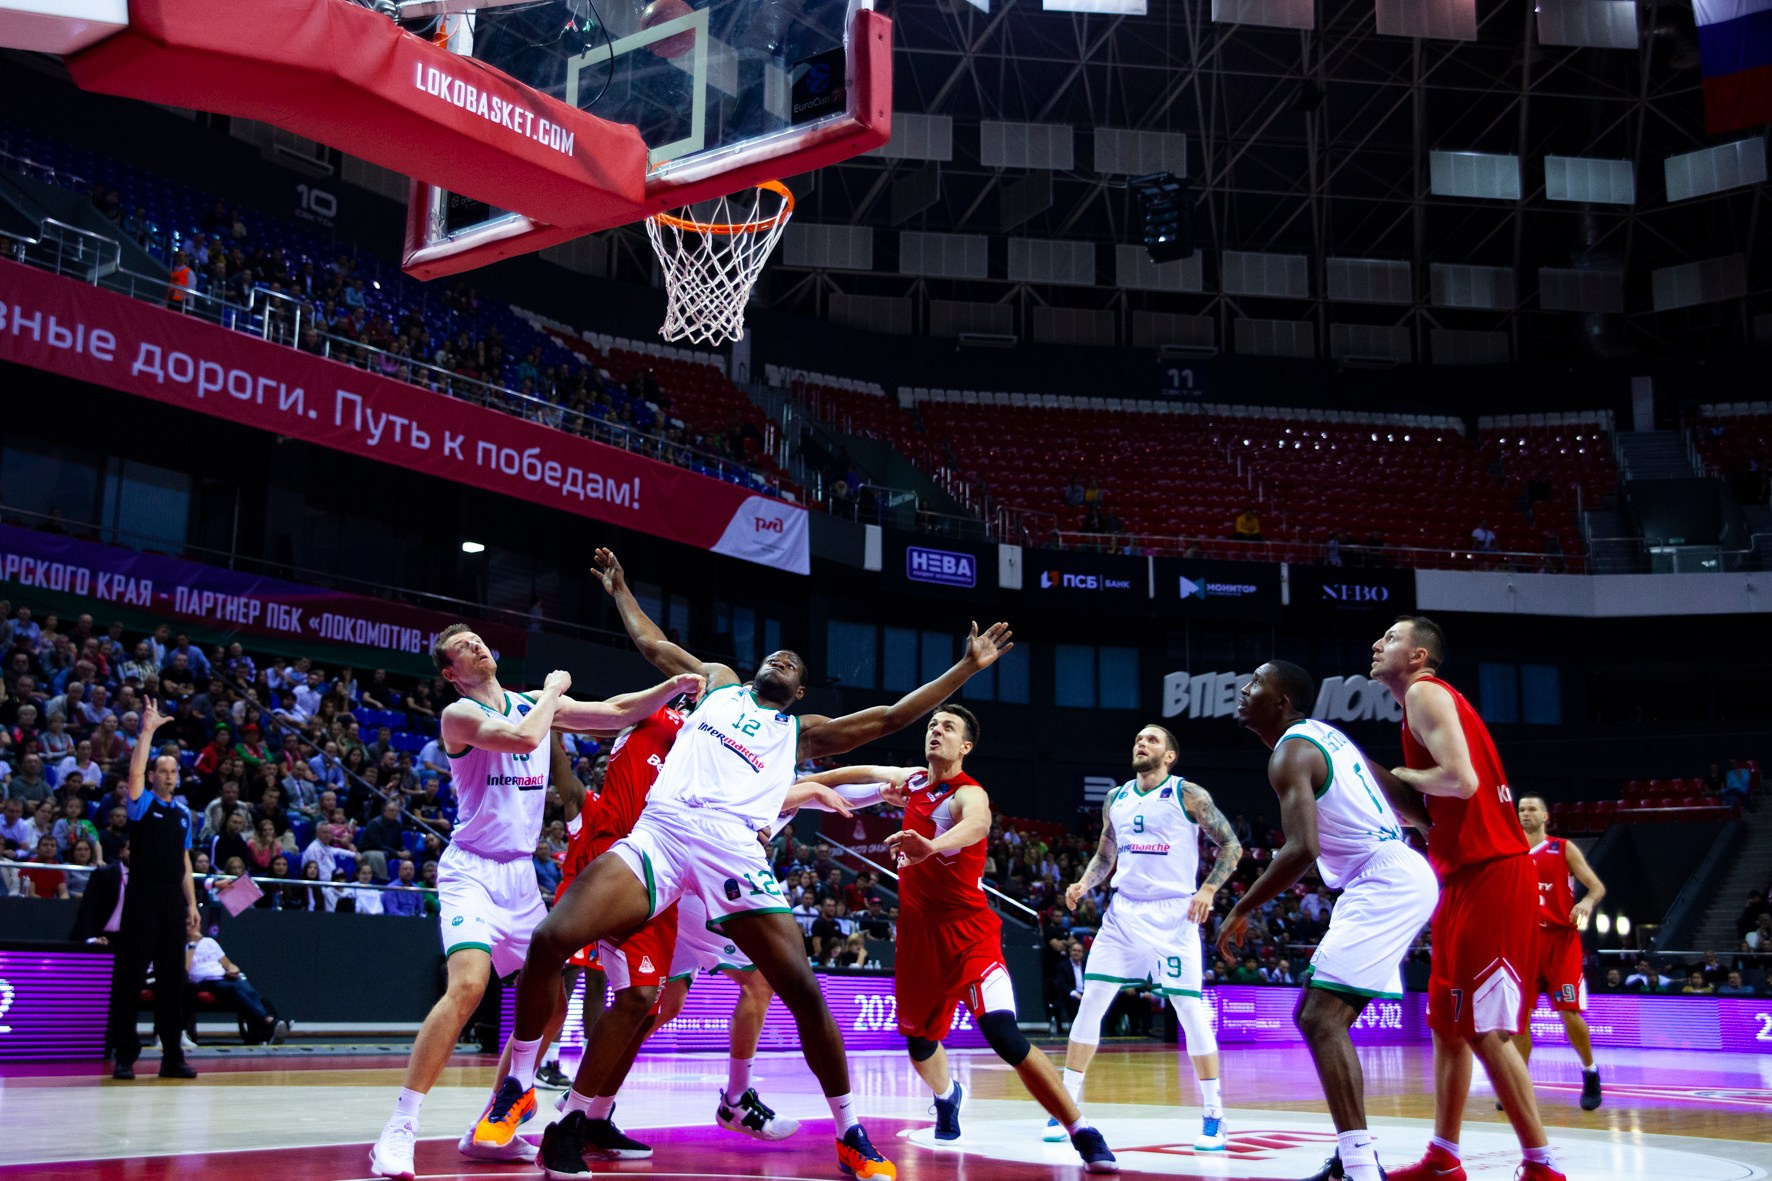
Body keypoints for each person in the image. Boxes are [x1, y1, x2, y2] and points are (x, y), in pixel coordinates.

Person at [503, 547, 1015, 1181]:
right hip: (662, 832)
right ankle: (534, 1093)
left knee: (801, 990)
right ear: (758, 669)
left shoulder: (799, 732)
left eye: (794, 666)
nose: (783, 659)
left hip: (732, 850)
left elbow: (890, 718)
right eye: (777, 655)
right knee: (551, 939)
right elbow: (654, 645)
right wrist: (621, 590)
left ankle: (850, 1132)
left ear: (797, 694)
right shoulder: (717, 684)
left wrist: (964, 668)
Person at [367, 625, 700, 1180]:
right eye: (462, 647)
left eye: (477, 639)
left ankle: (491, 1123)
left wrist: (671, 687)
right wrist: (552, 691)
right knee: (468, 987)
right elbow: (524, 738)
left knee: (552, 1003)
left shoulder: (533, 705)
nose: (476, 645)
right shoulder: (460, 715)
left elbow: (617, 712)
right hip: (472, 870)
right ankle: (399, 1129)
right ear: (451, 673)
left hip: (521, 876)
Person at [858, 705, 1120, 1170]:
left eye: (948, 727)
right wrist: (799, 782)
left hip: (969, 934)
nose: (936, 730)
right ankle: (947, 1095)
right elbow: (858, 772)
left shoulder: (969, 792)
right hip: (919, 939)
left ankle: (1082, 1130)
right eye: (932, 725)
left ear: (966, 746)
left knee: (1003, 1034)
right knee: (920, 1044)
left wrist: (931, 846)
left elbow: (978, 824)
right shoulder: (913, 781)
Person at [1223, 660, 1439, 1181]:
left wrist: (1243, 906)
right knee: (1313, 1014)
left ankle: (1361, 1167)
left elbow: (1302, 849)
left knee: (1322, 1019)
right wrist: (1433, 833)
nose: (1244, 689)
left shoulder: (1290, 753)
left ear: (1282, 702)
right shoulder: (1330, 737)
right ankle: (1352, 1155)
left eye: (1256, 683)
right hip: (1391, 874)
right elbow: (1399, 793)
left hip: (1383, 880)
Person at [1371, 617, 1562, 1181]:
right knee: (1447, 1025)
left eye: (1391, 637)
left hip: (1493, 874)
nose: (1378, 644)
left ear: (1419, 656)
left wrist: (1402, 774)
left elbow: (1461, 780)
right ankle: (1443, 1157)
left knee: (1484, 1029)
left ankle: (1542, 1165)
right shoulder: (1421, 705)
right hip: (1459, 875)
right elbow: (1443, 811)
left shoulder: (1425, 693)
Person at [1054, 723, 1242, 1153]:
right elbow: (1105, 854)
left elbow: (1231, 846)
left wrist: (1208, 889)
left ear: (1169, 755)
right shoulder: (1116, 797)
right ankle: (1064, 1106)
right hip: (1124, 913)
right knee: (1092, 1002)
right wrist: (1084, 883)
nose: (1141, 742)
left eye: (1152, 739)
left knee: (1188, 1010)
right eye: (1138, 738)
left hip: (1174, 914)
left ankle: (1214, 1113)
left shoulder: (1186, 793)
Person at [107, 701, 200, 1080]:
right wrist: (148, 731)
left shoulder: (183, 814)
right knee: (130, 977)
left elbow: (185, 862)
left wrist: (192, 904)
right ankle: (125, 1055)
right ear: (152, 775)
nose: (169, 776)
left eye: (173, 771)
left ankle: (172, 1057)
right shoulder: (142, 804)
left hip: (172, 901)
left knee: (172, 980)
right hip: (142, 898)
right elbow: (133, 771)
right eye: (162, 770)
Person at [1514, 795, 1606, 1111]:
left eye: (1531, 809)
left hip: (1560, 940)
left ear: (1545, 815)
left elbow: (1596, 887)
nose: (1525, 813)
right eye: (1521, 809)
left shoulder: (1562, 848)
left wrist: (1586, 902)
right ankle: (1519, 1084)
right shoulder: (1509, 849)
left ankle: (1590, 1071)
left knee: (1568, 1012)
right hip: (1524, 942)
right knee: (1520, 1017)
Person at [185, 912, 289, 1044]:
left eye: (195, 923)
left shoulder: (209, 942)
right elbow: (185, 970)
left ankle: (268, 1030)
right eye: (188, 924)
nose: (192, 927)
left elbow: (228, 964)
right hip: (202, 981)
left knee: (247, 988)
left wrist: (233, 969)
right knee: (233, 988)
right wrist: (192, 944)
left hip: (223, 976)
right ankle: (270, 1022)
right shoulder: (180, 945)